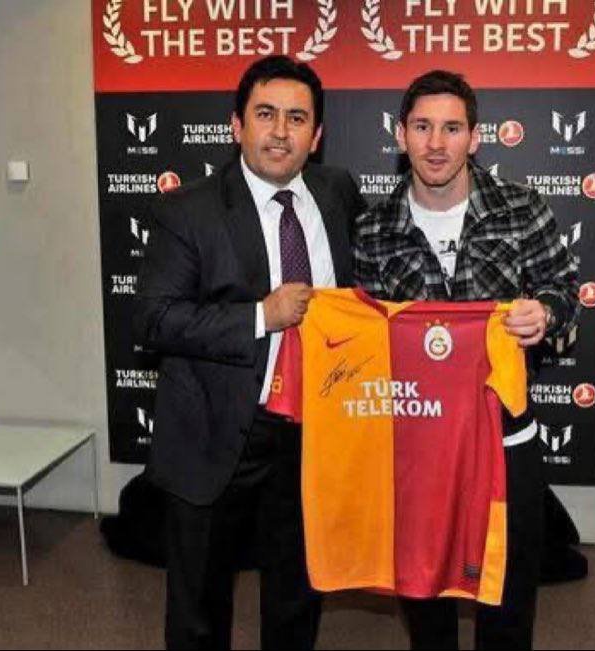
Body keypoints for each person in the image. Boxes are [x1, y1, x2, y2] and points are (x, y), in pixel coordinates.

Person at [134, 55, 365, 650]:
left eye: (296, 118)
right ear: (237, 126)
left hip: (313, 432)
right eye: (265, 114)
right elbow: (154, 319)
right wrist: (263, 315)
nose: (280, 132)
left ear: (317, 136)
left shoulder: (338, 192)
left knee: (297, 592)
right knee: (200, 607)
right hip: (219, 432)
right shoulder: (188, 209)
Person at [352, 70, 580, 650]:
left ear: (475, 138)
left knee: (507, 592)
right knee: (425, 593)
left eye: (452, 128)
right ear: (400, 135)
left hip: (505, 436)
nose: (436, 143)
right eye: (423, 127)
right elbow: (362, 342)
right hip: (416, 443)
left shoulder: (523, 209)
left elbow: (564, 293)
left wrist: (545, 315)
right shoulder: (373, 229)